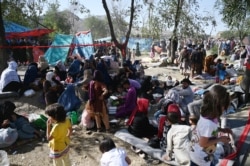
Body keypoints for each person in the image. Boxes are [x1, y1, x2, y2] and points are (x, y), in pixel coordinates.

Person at [189, 85, 232, 166]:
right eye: (224, 107)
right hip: (200, 160)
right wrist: (220, 139)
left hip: (201, 154)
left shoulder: (207, 114)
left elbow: (208, 131)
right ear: (218, 105)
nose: (224, 110)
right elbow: (202, 143)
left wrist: (221, 130)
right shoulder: (208, 123)